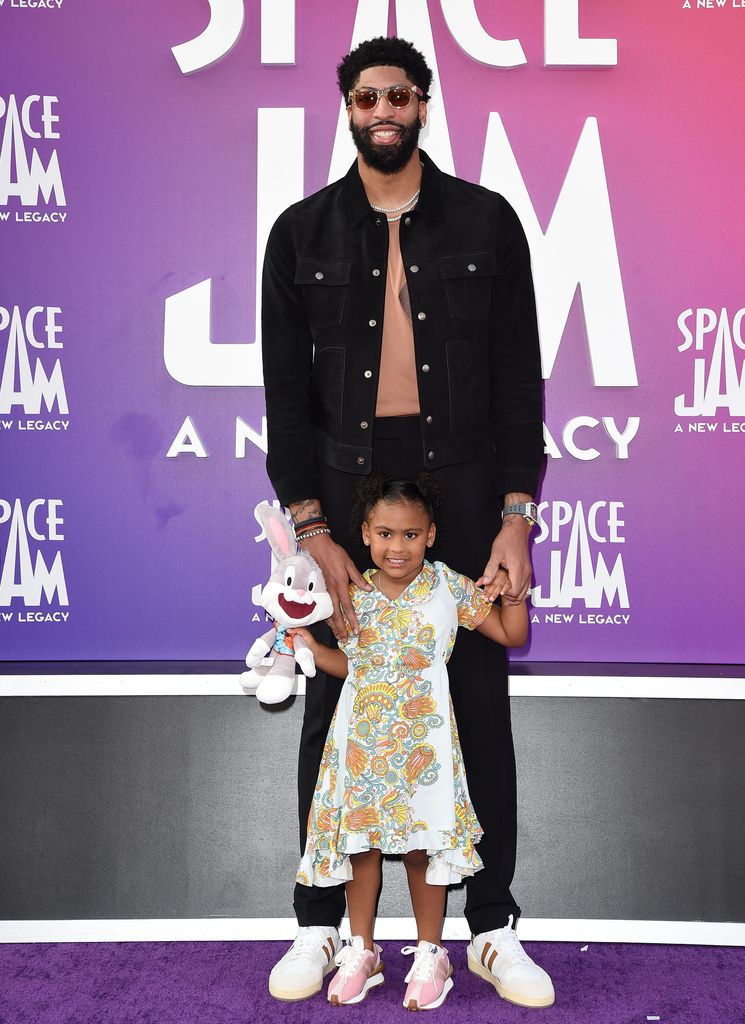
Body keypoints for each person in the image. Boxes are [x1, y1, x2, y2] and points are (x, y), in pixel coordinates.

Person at [261, 35, 553, 1008]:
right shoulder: (300, 234)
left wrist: (515, 516)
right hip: (346, 499)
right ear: (344, 108)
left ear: (423, 103)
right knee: (331, 702)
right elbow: (286, 400)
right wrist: (312, 529)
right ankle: (321, 924)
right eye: (363, 96)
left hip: (467, 492)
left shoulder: (486, 221)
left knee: (477, 700)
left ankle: (492, 926)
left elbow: (519, 381)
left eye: (398, 94)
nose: (381, 109)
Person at [290, 475, 529, 1010]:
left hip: (427, 745)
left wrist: (515, 593)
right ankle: (361, 950)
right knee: (361, 847)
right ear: (365, 534)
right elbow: (349, 665)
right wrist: (308, 647)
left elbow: (512, 635)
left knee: (425, 849)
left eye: (411, 535)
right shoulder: (349, 590)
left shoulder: (449, 587)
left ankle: (431, 954)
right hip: (361, 742)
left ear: (432, 535)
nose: (398, 547)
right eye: (385, 533)